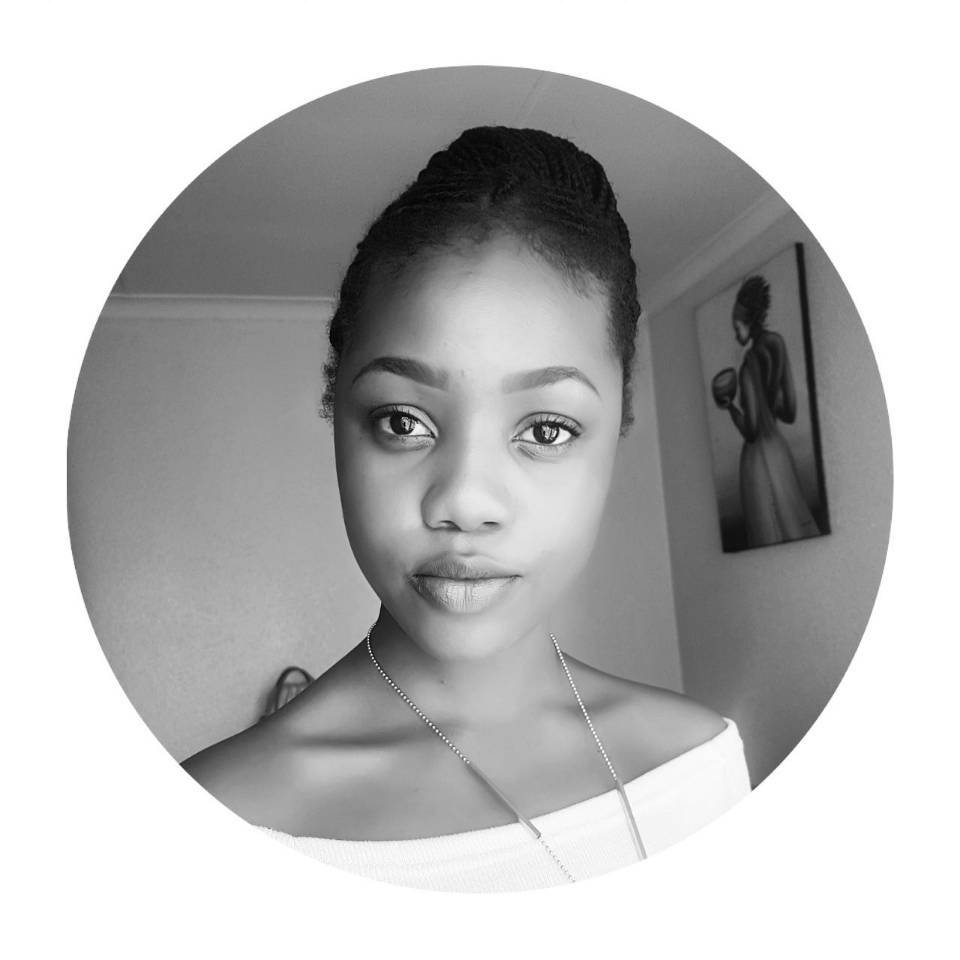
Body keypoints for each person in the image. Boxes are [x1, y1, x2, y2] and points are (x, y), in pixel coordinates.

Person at [183, 126, 751, 892]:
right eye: (402, 421)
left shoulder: (702, 764)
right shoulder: (213, 819)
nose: (465, 501)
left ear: (618, 424)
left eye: (545, 430)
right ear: (335, 413)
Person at [711, 276, 821, 548]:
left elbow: (751, 431)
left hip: (757, 460)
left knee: (769, 536)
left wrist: (730, 407)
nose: (736, 335)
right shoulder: (777, 345)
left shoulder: (748, 367)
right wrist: (768, 403)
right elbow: (790, 412)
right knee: (795, 528)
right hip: (779, 452)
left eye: (737, 327)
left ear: (748, 323)